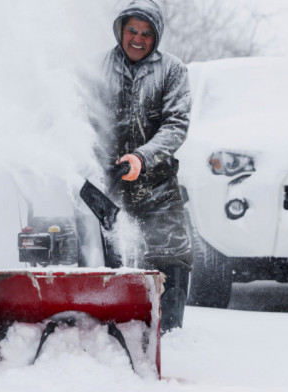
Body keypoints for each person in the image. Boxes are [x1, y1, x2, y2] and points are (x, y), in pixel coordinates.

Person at [88, 0, 192, 333]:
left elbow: (176, 124)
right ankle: (112, 329)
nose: (138, 38)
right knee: (110, 257)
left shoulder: (173, 70)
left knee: (169, 255)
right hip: (108, 186)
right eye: (132, 30)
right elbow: (82, 117)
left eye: (146, 33)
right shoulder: (97, 68)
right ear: (120, 29)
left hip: (157, 184)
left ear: (156, 36)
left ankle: (169, 334)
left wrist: (141, 158)